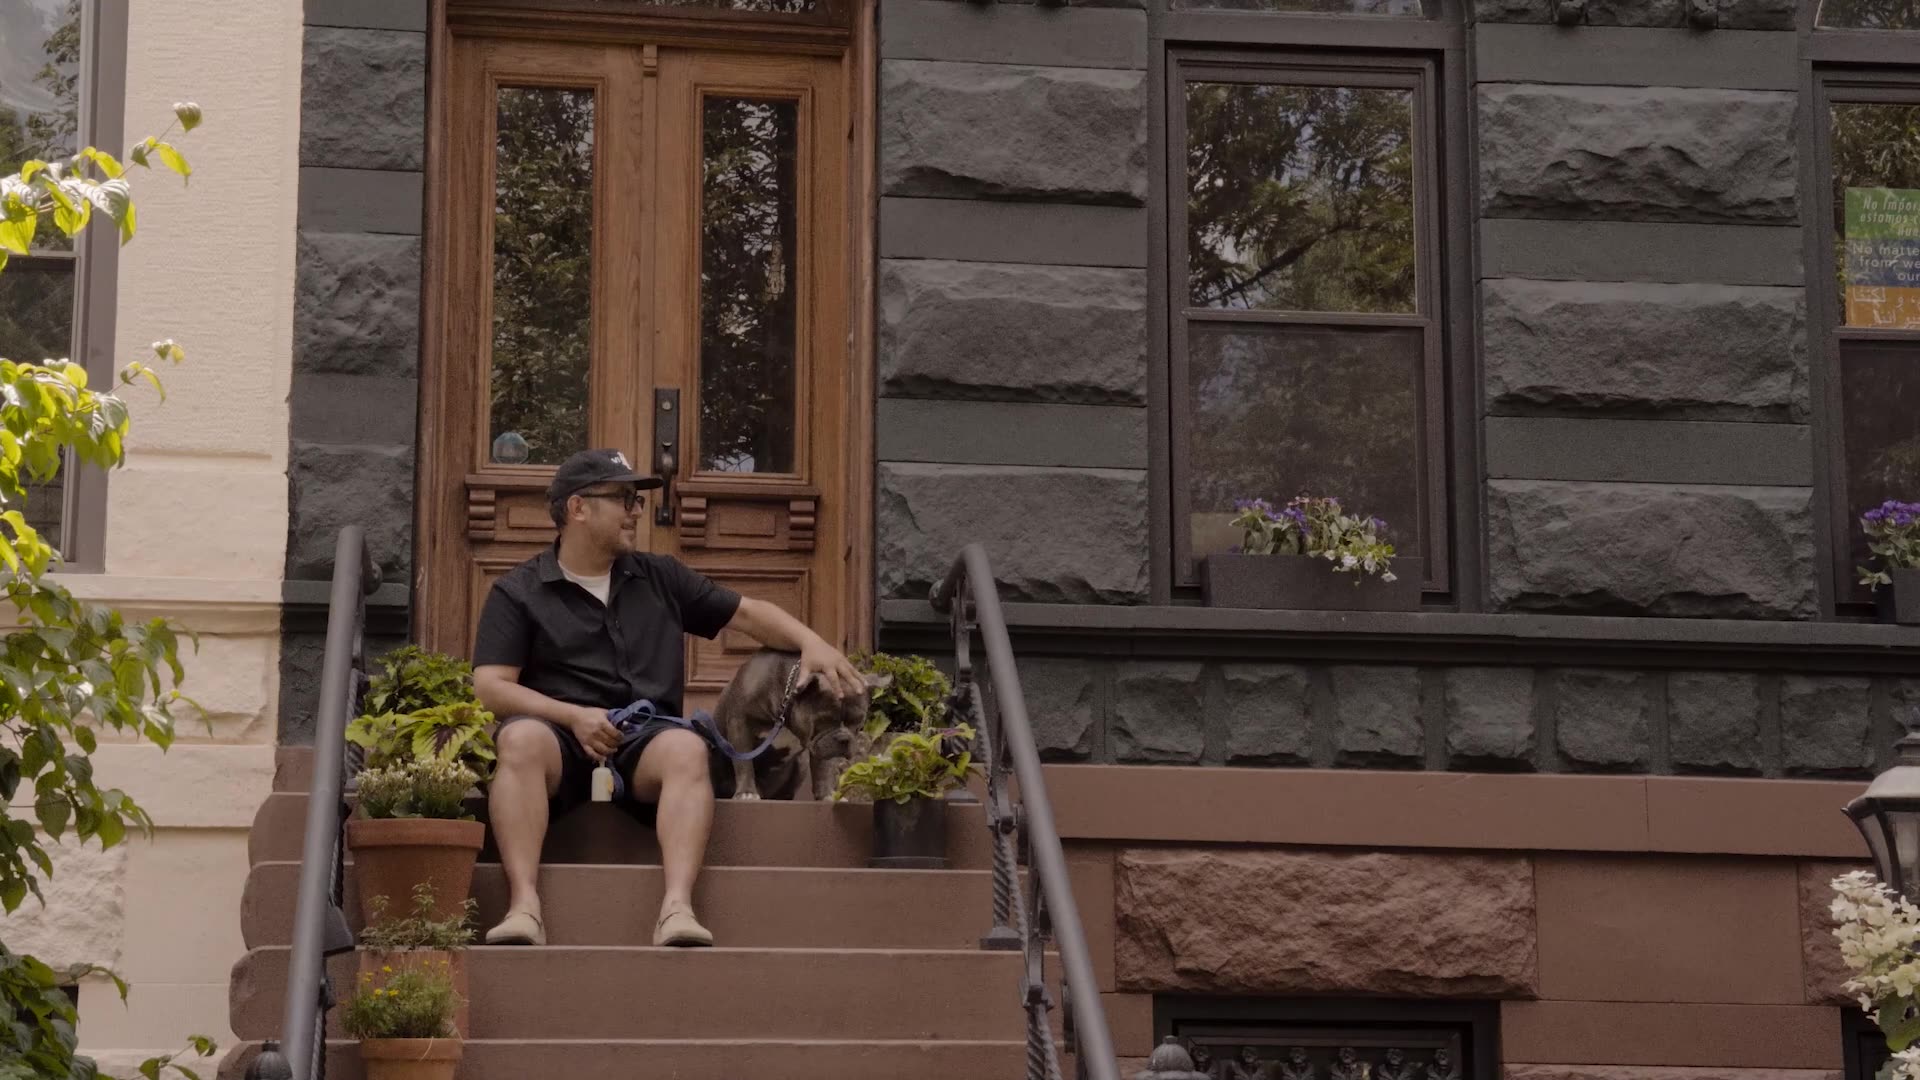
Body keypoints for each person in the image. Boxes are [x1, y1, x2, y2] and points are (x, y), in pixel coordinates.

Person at [470, 448, 865, 948]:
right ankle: (524, 906)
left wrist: (812, 642)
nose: (636, 510)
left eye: (636, 500)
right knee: (520, 740)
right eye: (624, 499)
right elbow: (490, 686)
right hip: (559, 738)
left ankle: (676, 907)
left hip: (645, 740)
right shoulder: (518, 591)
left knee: (686, 749)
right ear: (578, 508)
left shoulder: (659, 576)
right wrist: (573, 716)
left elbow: (747, 614)